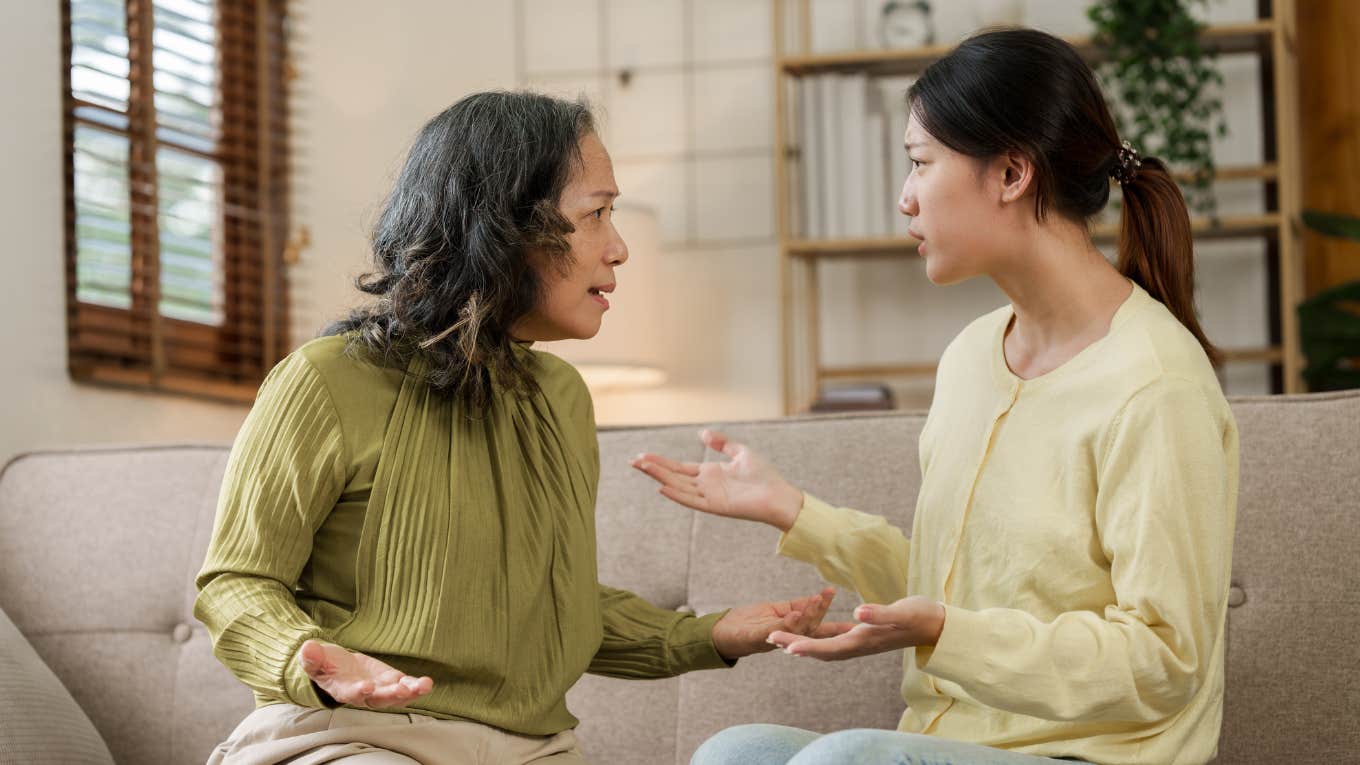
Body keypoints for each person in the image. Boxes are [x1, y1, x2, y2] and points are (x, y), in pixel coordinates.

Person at [632, 28, 1238, 765]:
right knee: (735, 751)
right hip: (947, 742)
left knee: (842, 760)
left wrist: (949, 631)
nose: (904, 198)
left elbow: (1164, 661)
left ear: (1012, 172)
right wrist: (792, 510)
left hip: (1095, 757)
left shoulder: (1154, 382)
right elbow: (947, 594)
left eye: (921, 163)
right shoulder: (971, 359)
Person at [195, 91, 843, 765]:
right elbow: (237, 581)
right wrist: (309, 658)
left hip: (535, 750)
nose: (617, 248)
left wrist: (712, 634)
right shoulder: (325, 381)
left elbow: (551, 606)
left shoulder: (561, 397)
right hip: (355, 737)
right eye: (595, 213)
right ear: (504, 226)